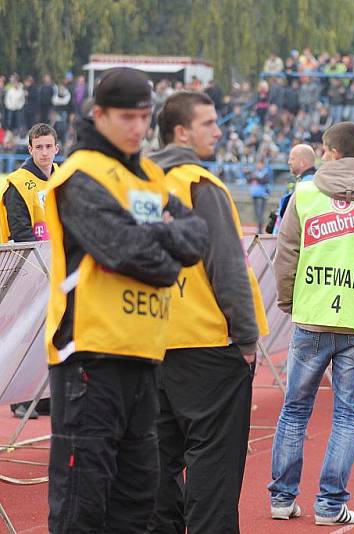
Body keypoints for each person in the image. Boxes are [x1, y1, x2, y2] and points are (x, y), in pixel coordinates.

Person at [44, 68, 207, 534]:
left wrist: (154, 241)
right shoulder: (80, 175)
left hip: (144, 354)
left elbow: (196, 239)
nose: (138, 127)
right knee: (83, 502)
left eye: (143, 116)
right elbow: (123, 249)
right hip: (90, 358)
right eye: (126, 117)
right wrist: (164, 245)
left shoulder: (154, 175)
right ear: (99, 115)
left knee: (138, 502)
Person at [270, 122, 354, 525]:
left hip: (313, 315)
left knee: (295, 410)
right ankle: (330, 505)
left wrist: (289, 299)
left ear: (327, 151)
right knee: (347, 416)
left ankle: (282, 498)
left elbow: (286, 252)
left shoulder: (306, 192)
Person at [146, 91, 269, 533]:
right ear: (181, 132)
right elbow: (229, 269)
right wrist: (248, 340)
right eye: (209, 123)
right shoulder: (201, 186)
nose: (219, 131)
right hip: (207, 345)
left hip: (148, 343)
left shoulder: (133, 187)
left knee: (156, 469)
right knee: (213, 473)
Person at [1, 123, 59, 419]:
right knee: (25, 335)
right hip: (28, 268)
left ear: (57, 148)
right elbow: (19, 231)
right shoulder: (18, 183)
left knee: (51, 334)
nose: (45, 152)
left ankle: (44, 395)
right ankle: (18, 399)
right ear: (30, 149)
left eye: (49, 146)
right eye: (39, 147)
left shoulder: (62, 179)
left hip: (57, 269)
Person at [273, 143, 316, 233]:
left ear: (302, 163)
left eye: (292, 159)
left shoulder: (309, 185)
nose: (289, 162)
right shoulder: (300, 181)